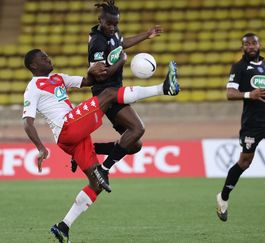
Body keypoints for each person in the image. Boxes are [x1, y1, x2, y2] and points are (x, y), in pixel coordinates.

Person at [22, 49, 179, 242]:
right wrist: (40, 148)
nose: (48, 58)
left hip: (72, 137)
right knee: (109, 94)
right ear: (34, 66)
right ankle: (163, 88)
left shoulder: (57, 78)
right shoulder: (33, 88)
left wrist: (96, 70)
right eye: (43, 58)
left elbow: (87, 81)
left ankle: (63, 226)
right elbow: (27, 122)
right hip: (67, 126)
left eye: (47, 55)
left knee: (97, 183)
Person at [86, 0, 178, 190]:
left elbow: (121, 43)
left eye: (115, 24)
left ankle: (91, 149)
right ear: (100, 20)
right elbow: (101, 74)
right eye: (109, 23)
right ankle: (103, 169)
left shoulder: (113, 32)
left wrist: (146, 35)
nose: (113, 27)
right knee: (138, 128)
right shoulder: (97, 42)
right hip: (105, 93)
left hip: (116, 88)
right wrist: (121, 61)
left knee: (135, 145)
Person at [216, 33, 265, 222]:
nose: (251, 46)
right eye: (247, 44)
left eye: (254, 43)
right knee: (244, 162)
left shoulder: (264, 65)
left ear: (260, 45)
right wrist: (249, 95)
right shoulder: (239, 67)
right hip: (252, 124)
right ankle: (223, 197)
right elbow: (230, 93)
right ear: (243, 47)